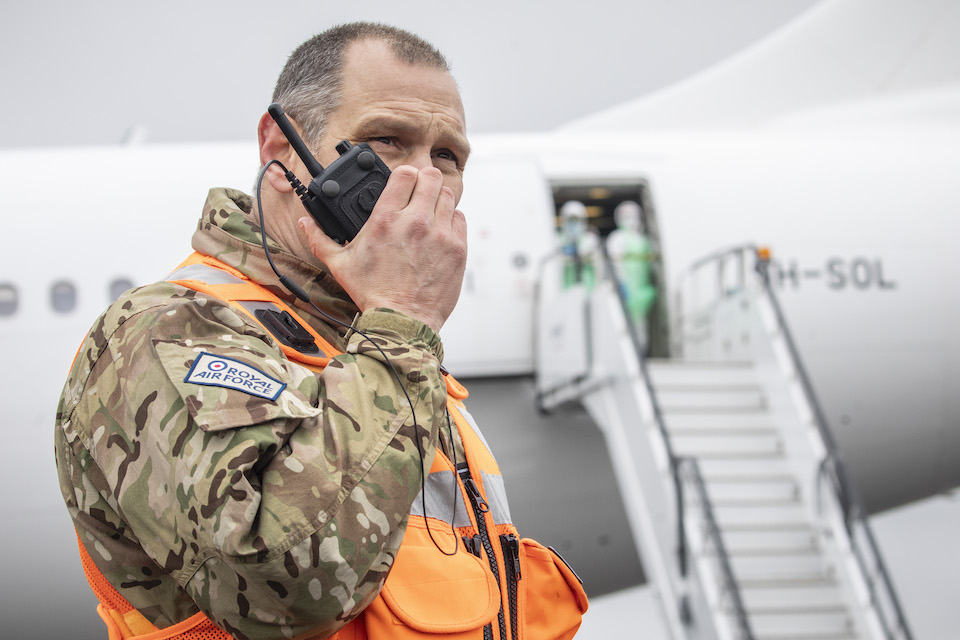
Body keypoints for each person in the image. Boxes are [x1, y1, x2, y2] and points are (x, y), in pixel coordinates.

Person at [55, 22, 587, 640]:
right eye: (386, 141)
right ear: (280, 146)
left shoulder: (377, 346)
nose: (424, 181)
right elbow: (283, 592)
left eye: (448, 156)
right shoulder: (171, 328)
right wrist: (402, 325)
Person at [605, 200, 656, 327]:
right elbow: (614, 265)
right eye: (626, 216)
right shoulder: (617, 238)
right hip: (626, 291)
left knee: (641, 329)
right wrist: (621, 285)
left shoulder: (642, 240)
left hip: (641, 292)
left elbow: (650, 263)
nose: (630, 219)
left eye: (633, 215)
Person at [557, 200, 600, 290]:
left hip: (587, 286)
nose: (573, 224)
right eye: (570, 220)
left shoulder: (590, 240)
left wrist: (587, 257)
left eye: (576, 219)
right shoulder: (558, 240)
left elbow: (598, 265)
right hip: (566, 288)